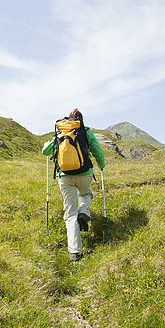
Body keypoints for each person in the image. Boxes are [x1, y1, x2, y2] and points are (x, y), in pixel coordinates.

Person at [42, 109, 105, 261]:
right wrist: (101, 165)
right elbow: (97, 150)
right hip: (84, 173)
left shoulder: (60, 132)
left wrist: (48, 143)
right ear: (81, 120)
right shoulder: (85, 131)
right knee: (85, 194)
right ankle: (83, 212)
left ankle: (75, 253)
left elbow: (45, 151)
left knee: (70, 215)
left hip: (65, 176)